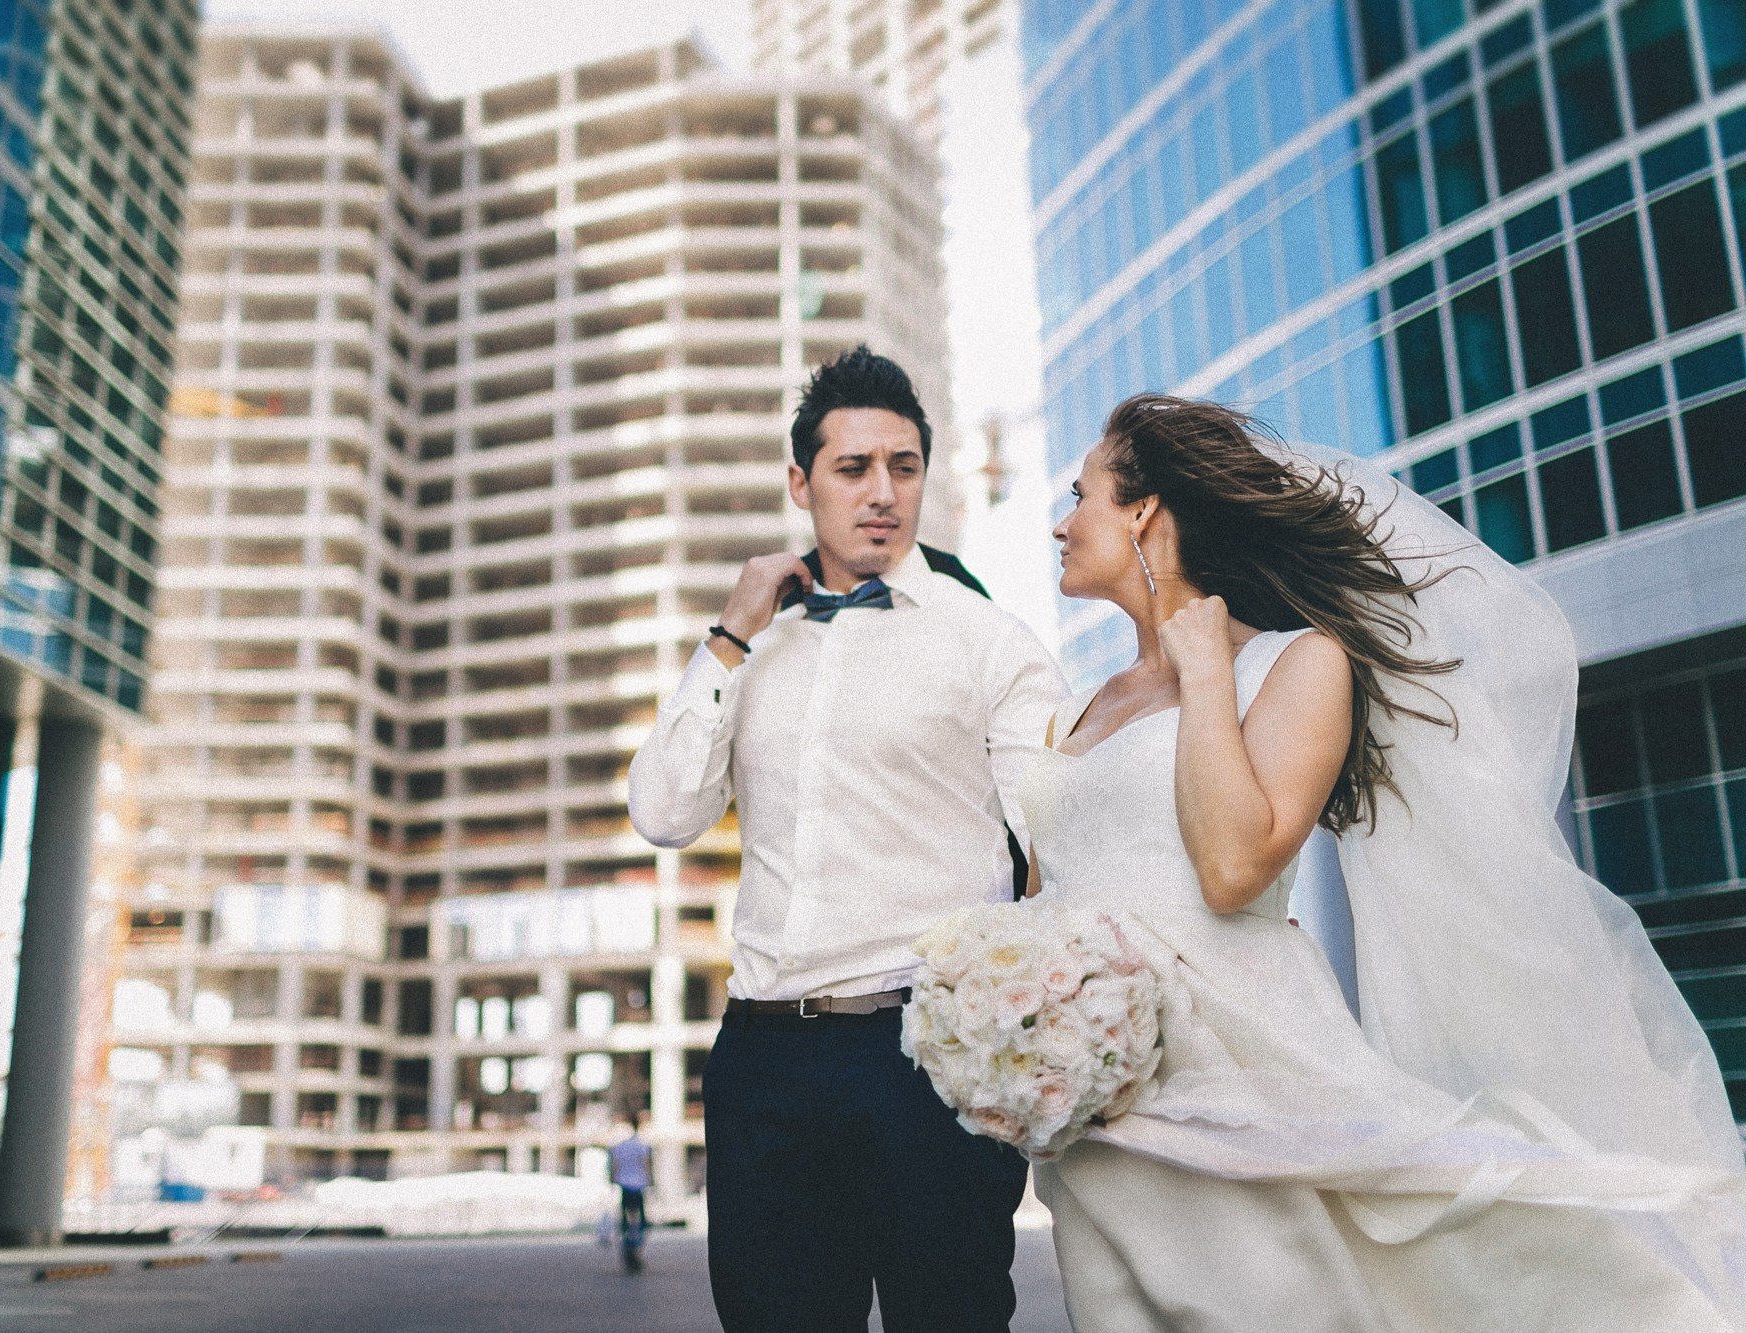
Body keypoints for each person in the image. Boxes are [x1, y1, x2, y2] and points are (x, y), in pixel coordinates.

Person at [1024, 393, 1746, 1331]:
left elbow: (1234, 867)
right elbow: (1042, 902)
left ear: (1144, 511)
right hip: (1093, 1106)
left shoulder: (1296, 664)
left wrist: (1202, 672)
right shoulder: (1076, 711)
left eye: (1079, 493)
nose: (1058, 520)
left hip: (1240, 1072)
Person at [628, 346, 1066, 1332]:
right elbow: (662, 812)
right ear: (800, 482)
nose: (881, 493)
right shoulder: (751, 646)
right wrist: (727, 637)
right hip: (764, 1059)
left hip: (930, 1057)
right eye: (851, 468)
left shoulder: (983, 637)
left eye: (901, 467)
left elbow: (1059, 829)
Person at [608, 1113, 652, 1273]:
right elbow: (646, 1165)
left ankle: (627, 1244)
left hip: (624, 1185)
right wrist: (650, 1182)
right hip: (639, 1185)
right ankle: (636, 1244)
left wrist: (613, 1181)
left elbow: (614, 1166)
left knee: (626, 1220)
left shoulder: (620, 1146)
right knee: (640, 1220)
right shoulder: (642, 1145)